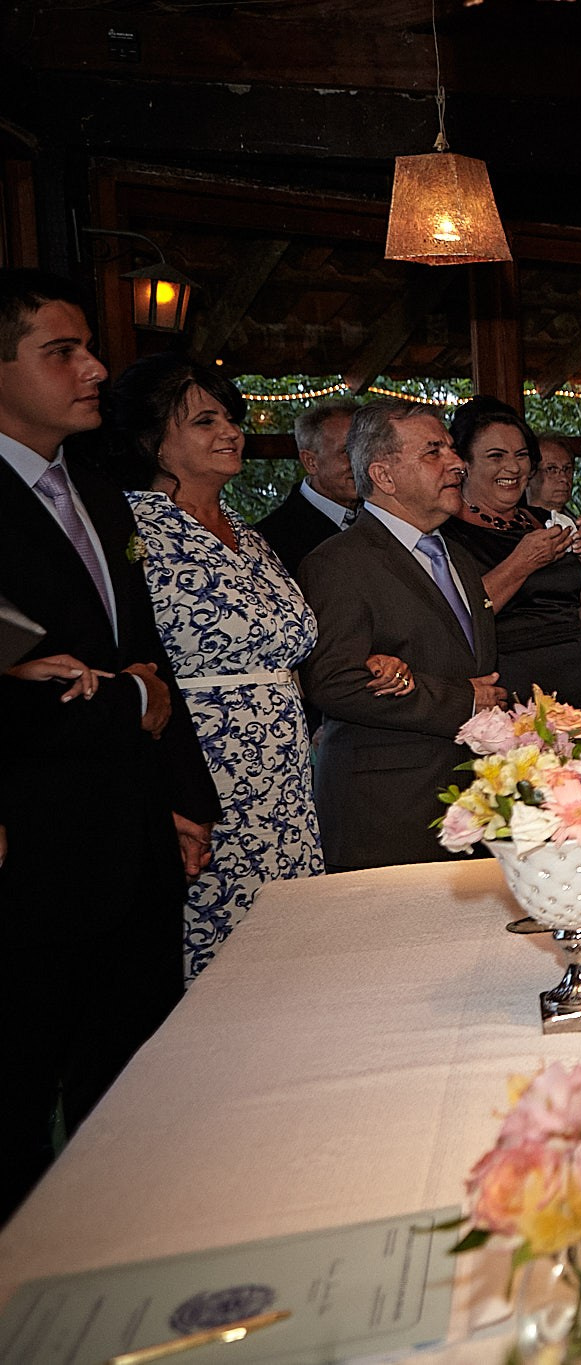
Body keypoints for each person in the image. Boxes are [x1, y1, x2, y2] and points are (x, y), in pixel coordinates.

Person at [0, 269, 218, 1214]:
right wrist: (126, 702)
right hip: (31, 846)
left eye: (88, 347)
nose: (93, 367)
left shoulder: (94, 485)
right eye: (61, 352)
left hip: (134, 835)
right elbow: (33, 684)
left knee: (136, 1094)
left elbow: (144, 657)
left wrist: (179, 794)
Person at [105, 354, 341, 981]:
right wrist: (171, 792)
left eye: (231, 418)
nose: (231, 432)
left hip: (283, 772)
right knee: (217, 951)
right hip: (201, 769)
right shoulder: (131, 530)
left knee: (290, 944)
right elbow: (132, 659)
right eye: (205, 421)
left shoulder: (248, 532)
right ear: (153, 440)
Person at [299, 400, 505, 871]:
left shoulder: (457, 556)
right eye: (434, 452)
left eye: (452, 449)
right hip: (390, 807)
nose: (456, 463)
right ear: (384, 477)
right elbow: (334, 682)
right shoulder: (339, 563)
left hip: (469, 803)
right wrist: (463, 702)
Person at [442, 397, 581, 713]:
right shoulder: (446, 532)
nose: (513, 468)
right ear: (465, 463)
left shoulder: (545, 519)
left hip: (573, 683)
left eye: (522, 455)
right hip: (508, 688)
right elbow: (455, 619)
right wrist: (522, 562)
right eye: (496, 456)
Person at [255, 398, 358, 577]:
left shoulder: (382, 514)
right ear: (311, 462)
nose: (361, 462)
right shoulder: (270, 540)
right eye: (347, 452)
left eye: (366, 451)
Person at [528, 435, 578, 516]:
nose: (564, 478)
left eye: (567, 469)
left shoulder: (576, 522)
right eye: (551, 469)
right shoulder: (520, 524)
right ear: (530, 473)